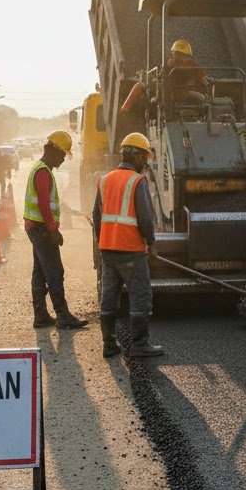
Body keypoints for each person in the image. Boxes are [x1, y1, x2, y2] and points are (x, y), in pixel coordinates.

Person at [93, 132, 164, 359]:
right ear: (137, 156)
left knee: (109, 297)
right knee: (140, 295)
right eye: (144, 157)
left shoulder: (105, 179)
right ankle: (140, 344)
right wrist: (151, 243)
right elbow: (145, 218)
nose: (145, 162)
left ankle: (108, 344)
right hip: (131, 250)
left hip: (107, 250)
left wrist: (103, 241)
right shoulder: (137, 181)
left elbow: (96, 216)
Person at [24, 131, 89, 330]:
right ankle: (63, 315)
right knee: (54, 271)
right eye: (61, 154)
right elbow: (44, 204)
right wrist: (53, 230)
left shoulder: (41, 169)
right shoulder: (43, 172)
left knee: (40, 272)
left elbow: (46, 202)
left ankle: (41, 315)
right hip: (42, 229)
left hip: (36, 228)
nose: (62, 159)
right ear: (52, 150)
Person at [163, 39, 207, 107]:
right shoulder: (189, 64)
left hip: (171, 94)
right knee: (202, 98)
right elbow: (200, 78)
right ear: (186, 54)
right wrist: (203, 84)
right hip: (181, 93)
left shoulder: (169, 63)